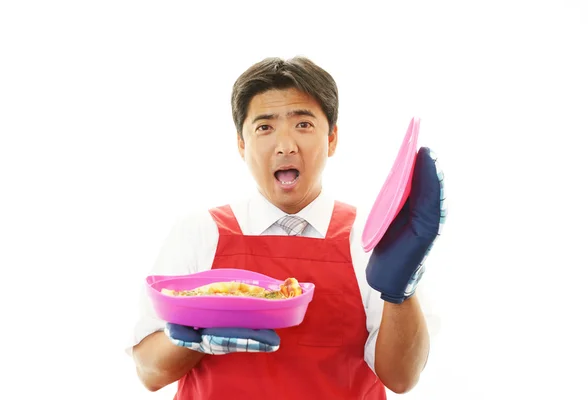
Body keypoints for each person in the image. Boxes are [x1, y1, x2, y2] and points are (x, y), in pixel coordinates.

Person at [126, 56, 446, 399]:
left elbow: (401, 378)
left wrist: (401, 290)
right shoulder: (200, 231)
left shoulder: (369, 239)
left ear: (333, 138)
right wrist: (196, 335)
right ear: (241, 144)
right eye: (265, 127)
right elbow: (149, 373)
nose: (286, 145)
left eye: (303, 124)